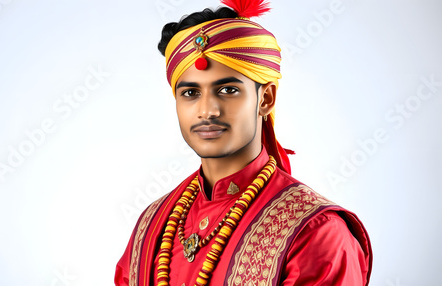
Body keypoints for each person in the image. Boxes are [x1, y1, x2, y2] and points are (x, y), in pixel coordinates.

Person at [115, 0, 372, 285]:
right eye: (190, 93)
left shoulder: (315, 232)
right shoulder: (152, 225)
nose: (207, 110)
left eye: (227, 90)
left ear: (266, 98)